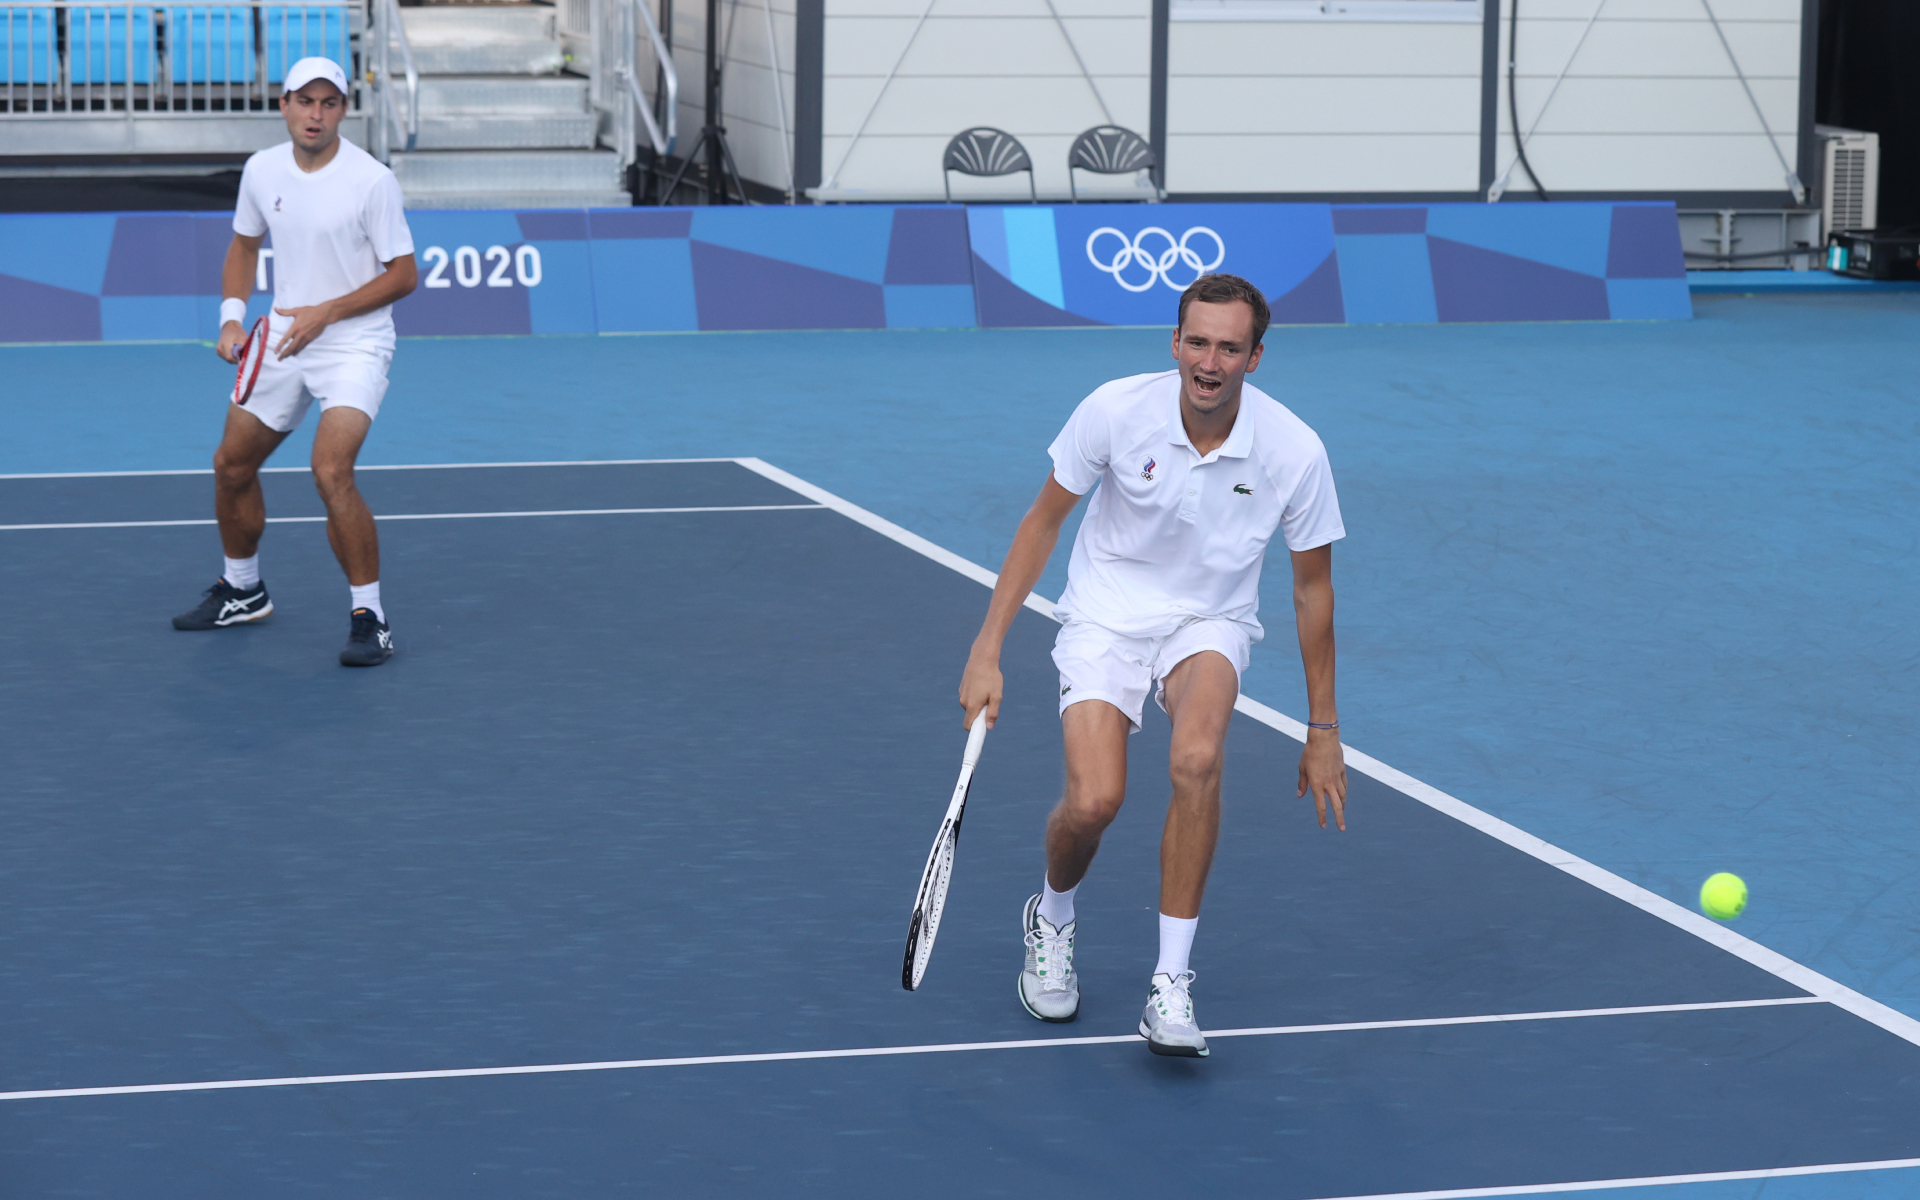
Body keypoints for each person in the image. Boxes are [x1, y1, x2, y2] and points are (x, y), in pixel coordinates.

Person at [957, 273, 1348, 1058]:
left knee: (1198, 756)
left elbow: (1312, 593)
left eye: (1229, 348)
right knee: (1095, 802)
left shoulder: (1294, 452)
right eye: (1197, 342)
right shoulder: (1114, 411)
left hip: (1210, 622)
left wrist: (1324, 728)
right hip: (1105, 614)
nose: (1210, 361)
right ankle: (1054, 915)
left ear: (1255, 357)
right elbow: (1041, 525)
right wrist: (986, 647)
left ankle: (1170, 984)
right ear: (1175, 343)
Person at [171, 56, 418, 667]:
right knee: (231, 465)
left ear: (342, 110)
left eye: (328, 103)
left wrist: (328, 313)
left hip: (354, 342)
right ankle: (243, 588)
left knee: (331, 470)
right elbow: (244, 245)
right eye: (304, 101)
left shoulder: (371, 181)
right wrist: (232, 316)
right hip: (283, 335)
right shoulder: (261, 170)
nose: (315, 114)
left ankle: (371, 617)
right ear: (283, 106)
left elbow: (405, 276)